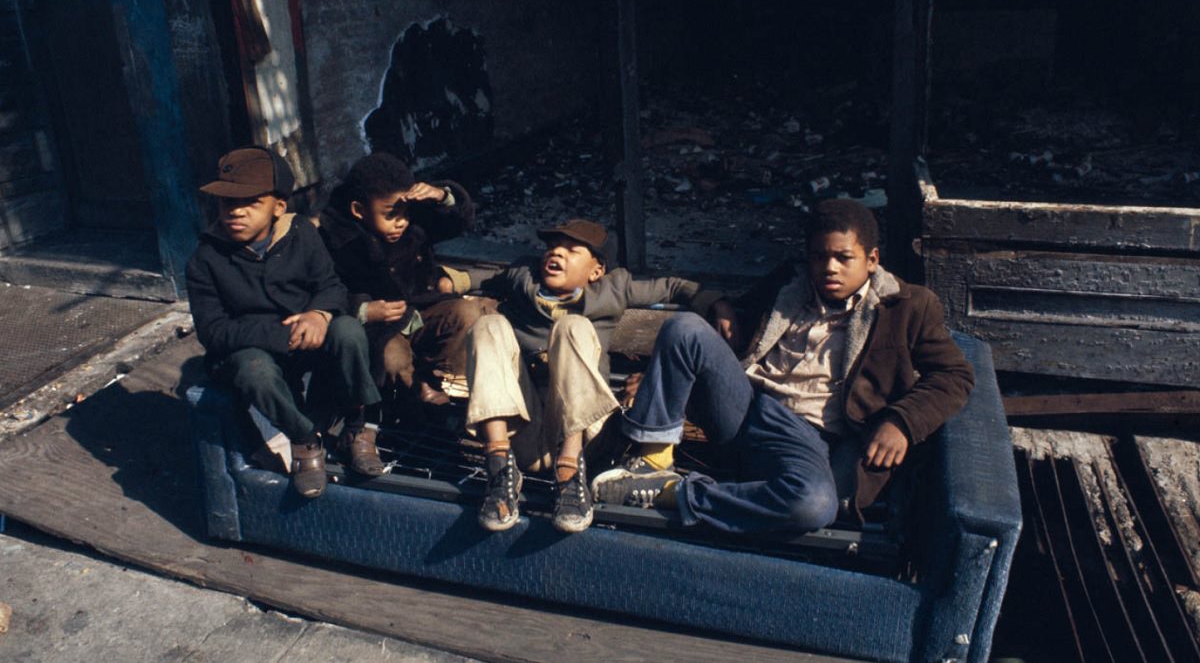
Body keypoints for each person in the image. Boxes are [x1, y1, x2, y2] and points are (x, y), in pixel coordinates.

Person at [592, 198, 975, 534]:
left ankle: (677, 494)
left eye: (844, 258)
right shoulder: (789, 284)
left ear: (872, 259)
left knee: (812, 505)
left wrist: (902, 422)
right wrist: (717, 308)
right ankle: (648, 466)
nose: (830, 268)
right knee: (685, 327)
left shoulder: (908, 306)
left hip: (809, 437)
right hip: (744, 407)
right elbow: (736, 323)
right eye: (819, 256)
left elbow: (955, 376)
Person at [467, 219, 725, 534]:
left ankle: (570, 475)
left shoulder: (615, 288)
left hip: (588, 440)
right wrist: (445, 281)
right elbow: (482, 278)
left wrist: (717, 302)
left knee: (572, 327)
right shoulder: (524, 278)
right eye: (552, 247)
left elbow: (673, 286)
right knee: (487, 326)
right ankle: (498, 469)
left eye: (572, 250)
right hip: (527, 433)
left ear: (596, 270)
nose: (557, 253)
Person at [186, 146, 383, 497]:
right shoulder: (206, 258)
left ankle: (357, 425)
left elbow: (331, 286)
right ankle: (306, 441)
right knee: (254, 371)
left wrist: (319, 315)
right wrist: (281, 335)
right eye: (226, 203)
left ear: (278, 207)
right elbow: (213, 331)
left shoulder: (302, 234)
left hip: (308, 340)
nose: (236, 212)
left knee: (349, 330)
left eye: (250, 203)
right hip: (251, 350)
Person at [319, 152, 490, 413]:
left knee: (466, 314)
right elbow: (325, 291)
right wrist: (363, 310)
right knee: (392, 358)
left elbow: (457, 222)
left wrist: (443, 195)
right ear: (358, 210)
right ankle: (413, 395)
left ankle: (439, 380)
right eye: (390, 215)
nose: (401, 222)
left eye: (405, 213)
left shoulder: (413, 221)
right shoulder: (335, 239)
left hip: (423, 306)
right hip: (380, 327)